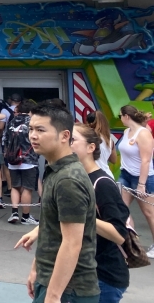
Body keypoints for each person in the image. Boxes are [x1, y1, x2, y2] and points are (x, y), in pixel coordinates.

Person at [17, 103, 99, 303]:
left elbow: (72, 243)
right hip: (53, 281)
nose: (33, 136)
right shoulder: (55, 171)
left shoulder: (68, 180)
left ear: (64, 136)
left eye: (41, 130)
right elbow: (52, 229)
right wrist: (36, 270)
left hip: (69, 291)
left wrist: (53, 296)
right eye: (31, 129)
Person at [72, 125, 130, 302]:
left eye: (72, 140)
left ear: (91, 147)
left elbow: (120, 235)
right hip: (82, 272)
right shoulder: (75, 178)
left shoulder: (102, 183)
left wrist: (79, 216)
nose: (66, 144)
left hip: (103, 276)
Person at [116, 104, 154, 257]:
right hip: (126, 174)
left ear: (126, 116)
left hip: (143, 177)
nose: (120, 119)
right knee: (120, 208)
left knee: (149, 213)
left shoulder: (143, 134)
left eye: (120, 116)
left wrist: (141, 185)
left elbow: (146, 160)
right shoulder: (126, 132)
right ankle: (131, 242)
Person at [3, 99, 39, 225]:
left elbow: (5, 140)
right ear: (30, 111)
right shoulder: (32, 122)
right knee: (27, 189)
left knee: (15, 187)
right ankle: (25, 217)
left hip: (13, 160)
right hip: (28, 159)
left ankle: (14, 213)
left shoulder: (12, 121)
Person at [86, 110, 118, 176]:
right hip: (107, 175)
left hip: (94, 175)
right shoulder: (109, 140)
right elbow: (114, 160)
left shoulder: (88, 137)